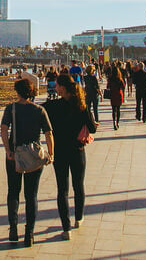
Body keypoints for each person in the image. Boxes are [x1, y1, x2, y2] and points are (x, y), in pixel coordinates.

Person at [1, 78, 54, 247]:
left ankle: (13, 229)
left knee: (13, 192)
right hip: (33, 155)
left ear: (18, 92)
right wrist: (51, 153)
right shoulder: (39, 110)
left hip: (14, 154)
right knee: (31, 195)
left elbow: (3, 129)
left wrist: (7, 149)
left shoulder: (11, 108)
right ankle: (29, 233)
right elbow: (48, 133)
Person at [44, 73, 97, 240]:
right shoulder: (81, 106)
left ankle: (66, 228)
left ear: (63, 88)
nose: (55, 88)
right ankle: (79, 218)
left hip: (59, 152)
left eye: (58, 85)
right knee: (78, 186)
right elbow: (93, 128)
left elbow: (37, 114)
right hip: (77, 151)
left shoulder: (51, 106)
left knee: (62, 189)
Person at [106, 64, 125, 130]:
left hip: (112, 94)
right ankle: (117, 122)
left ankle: (114, 121)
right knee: (118, 109)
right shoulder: (119, 79)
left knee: (114, 109)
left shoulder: (110, 78)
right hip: (118, 94)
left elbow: (107, 86)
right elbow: (123, 86)